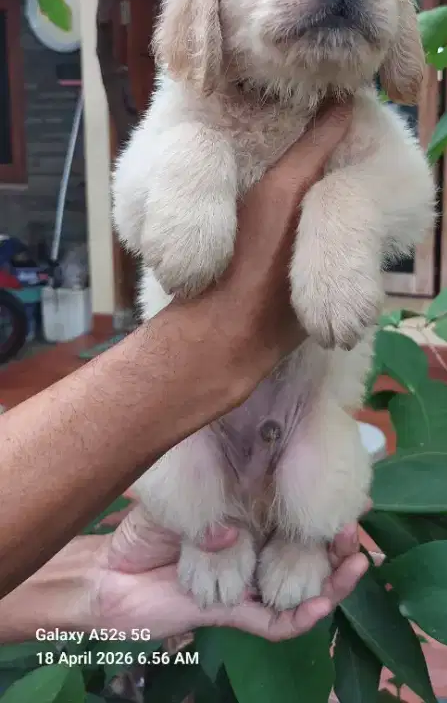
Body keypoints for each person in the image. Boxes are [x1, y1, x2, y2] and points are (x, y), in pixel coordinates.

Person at [0, 100, 369, 641]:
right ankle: (213, 533)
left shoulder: (356, 114)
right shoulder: (186, 110)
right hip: (198, 416)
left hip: (303, 401)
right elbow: (132, 208)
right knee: (186, 474)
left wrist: (341, 213)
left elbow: (403, 199)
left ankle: (297, 540)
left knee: (316, 494)